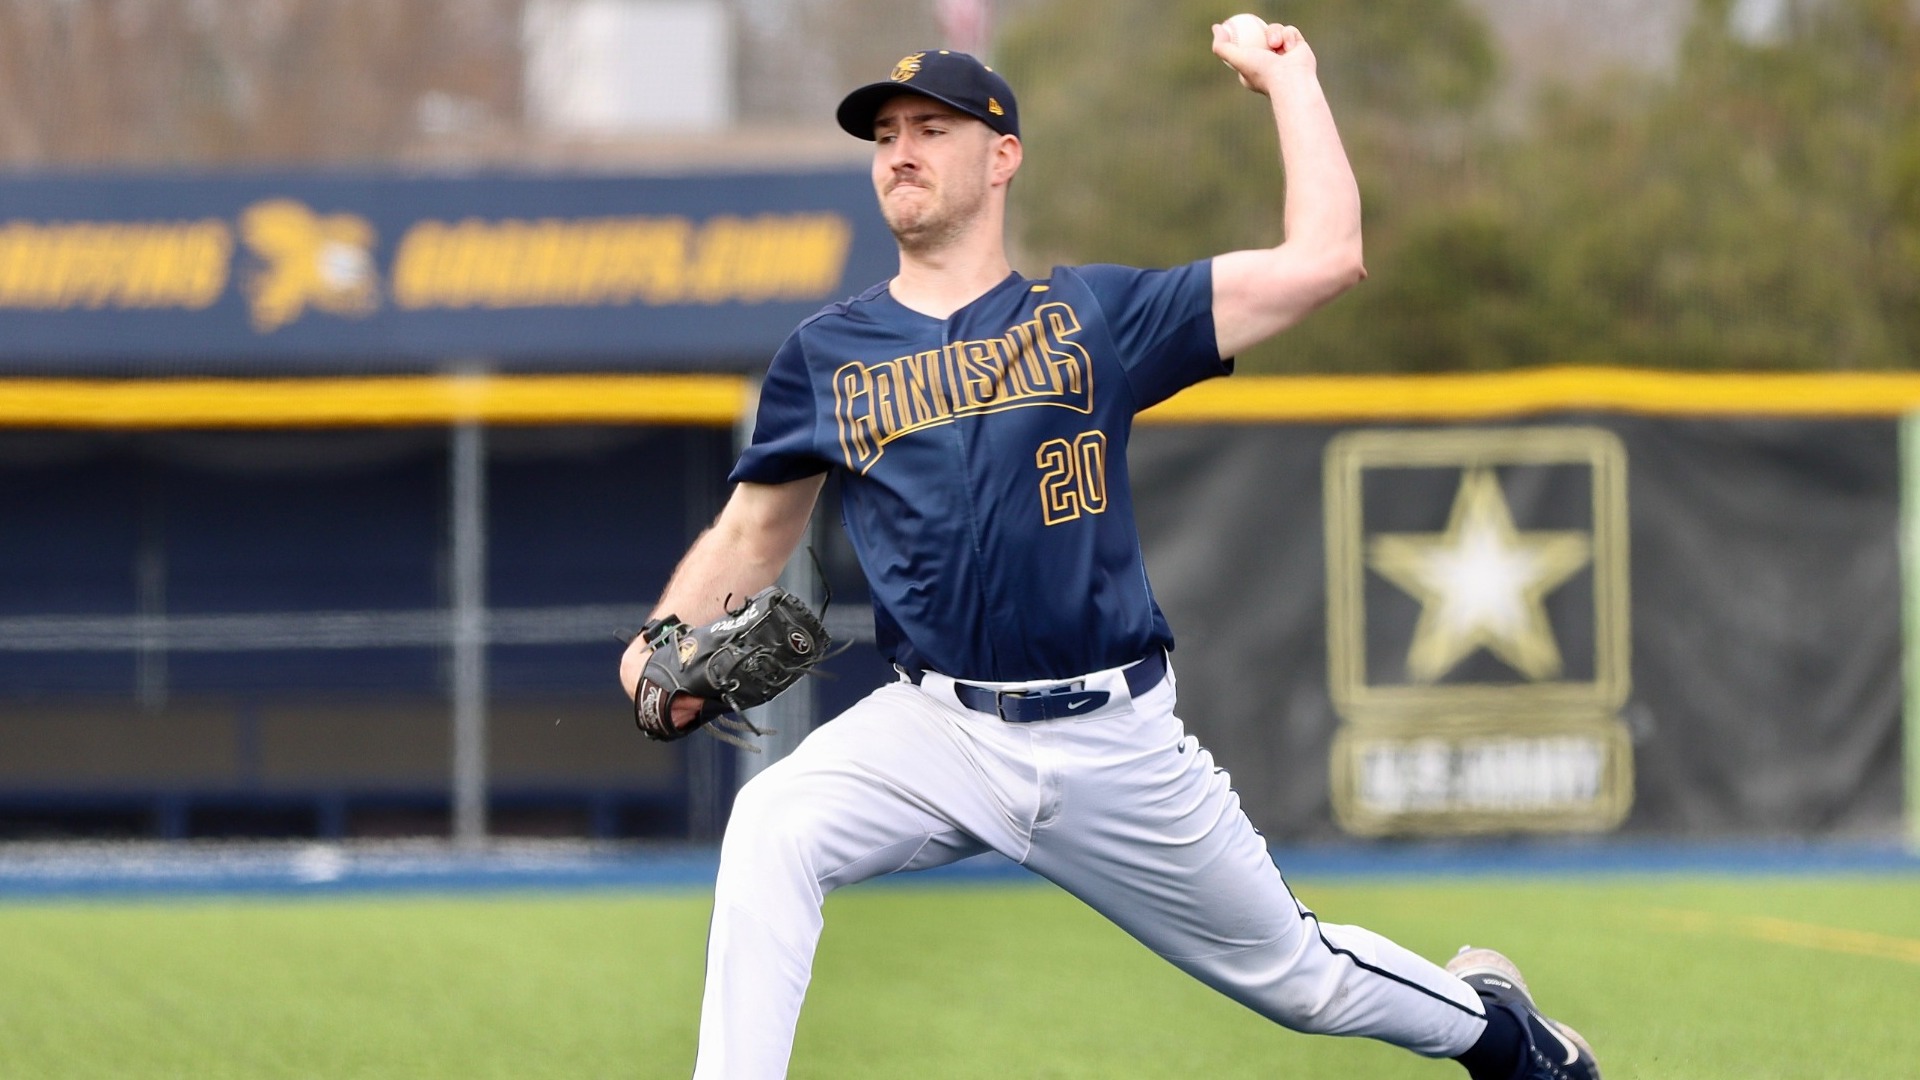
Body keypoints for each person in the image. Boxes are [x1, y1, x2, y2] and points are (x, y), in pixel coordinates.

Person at [620, 21, 1601, 1080]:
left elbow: (1327, 259)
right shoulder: (827, 356)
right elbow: (750, 533)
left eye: (931, 128)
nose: (899, 149)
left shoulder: (1094, 314)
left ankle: (1503, 1032)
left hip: (1110, 741)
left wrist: (1290, 79)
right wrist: (656, 646)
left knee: (1301, 979)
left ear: (1003, 157)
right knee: (773, 825)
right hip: (934, 731)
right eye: (885, 133)